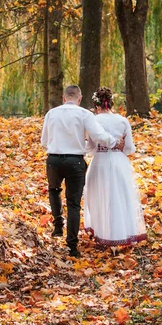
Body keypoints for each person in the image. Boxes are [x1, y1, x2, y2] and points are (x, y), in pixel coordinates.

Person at [41, 85, 124, 257]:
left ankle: (58, 226)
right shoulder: (84, 114)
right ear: (79, 99)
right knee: (73, 203)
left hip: (53, 160)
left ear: (64, 98)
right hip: (74, 162)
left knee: (54, 190)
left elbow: (44, 141)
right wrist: (115, 142)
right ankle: (72, 247)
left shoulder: (51, 114)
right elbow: (99, 135)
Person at [84, 87, 147, 247]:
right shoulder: (122, 121)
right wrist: (120, 145)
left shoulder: (94, 121)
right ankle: (121, 233)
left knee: (100, 197)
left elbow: (90, 148)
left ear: (97, 105)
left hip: (100, 162)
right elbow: (129, 149)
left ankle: (103, 234)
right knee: (120, 198)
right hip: (119, 163)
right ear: (111, 103)